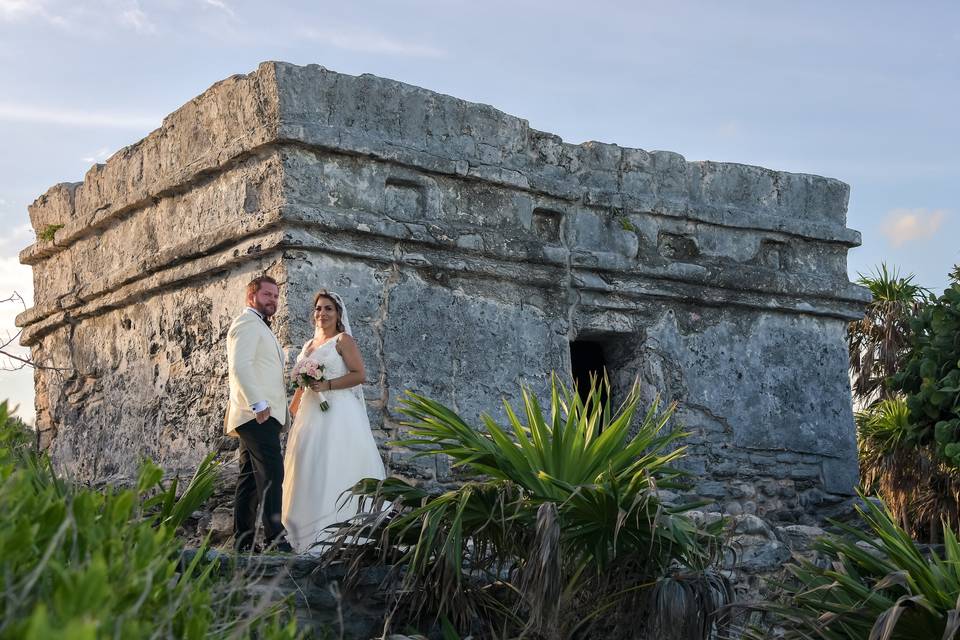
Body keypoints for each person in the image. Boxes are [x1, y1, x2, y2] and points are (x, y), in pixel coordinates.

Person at [282, 289, 387, 554]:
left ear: (338, 314)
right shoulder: (308, 345)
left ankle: (340, 533)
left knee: (333, 464)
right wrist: (293, 405)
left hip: (337, 412)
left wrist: (327, 384)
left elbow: (359, 375)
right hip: (309, 413)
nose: (322, 313)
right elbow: (302, 381)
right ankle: (302, 536)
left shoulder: (343, 340)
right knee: (307, 466)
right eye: (318, 308)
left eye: (328, 308)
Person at [225, 275, 292, 552]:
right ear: (251, 296)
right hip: (256, 415)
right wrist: (259, 404)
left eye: (276, 296)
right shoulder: (246, 323)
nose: (273, 300)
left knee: (250, 479)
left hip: (261, 415)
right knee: (273, 473)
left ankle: (243, 542)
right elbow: (240, 366)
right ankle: (275, 539)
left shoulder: (260, 326)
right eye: (267, 295)